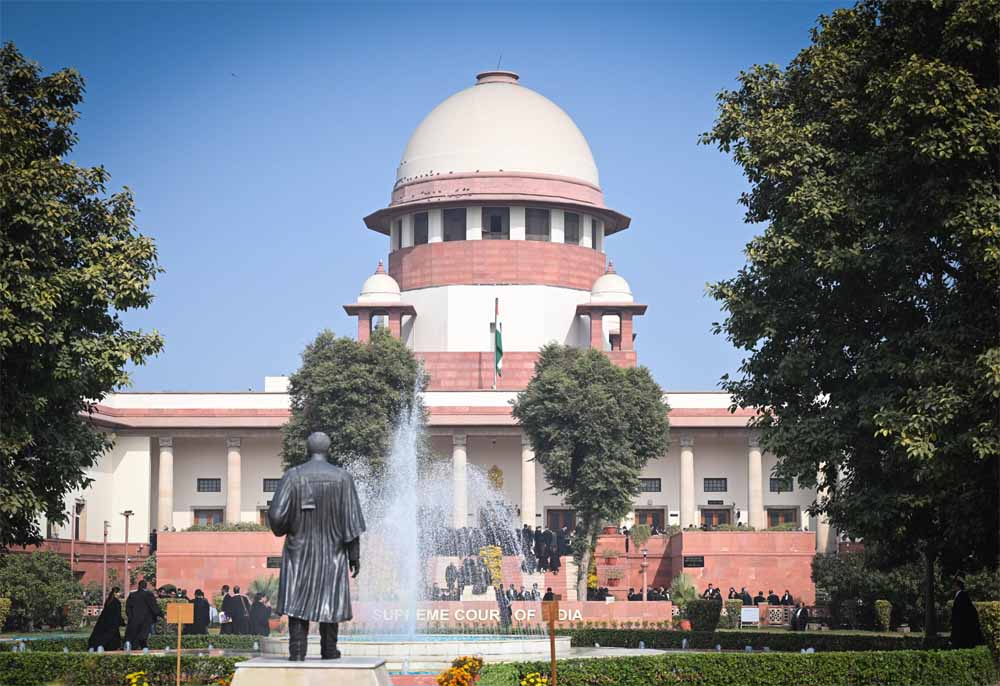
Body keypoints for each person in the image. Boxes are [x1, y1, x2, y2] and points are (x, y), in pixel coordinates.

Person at [268, 431, 366, 661]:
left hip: (299, 552)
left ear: (308, 449)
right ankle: (329, 650)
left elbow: (276, 516)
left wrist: (290, 526)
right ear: (328, 449)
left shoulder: (292, 476)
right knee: (330, 600)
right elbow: (352, 523)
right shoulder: (343, 478)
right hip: (333, 553)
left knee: (297, 602)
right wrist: (354, 556)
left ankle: (297, 651)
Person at [124, 580, 162, 650]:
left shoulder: (132, 595)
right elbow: (154, 607)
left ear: (138, 586)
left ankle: (129, 647)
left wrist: (130, 617)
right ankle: (144, 649)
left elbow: (128, 608)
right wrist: (161, 614)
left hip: (134, 620)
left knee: (132, 636)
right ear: (145, 586)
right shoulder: (149, 595)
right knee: (143, 637)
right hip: (145, 620)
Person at [950, 578, 984, 648]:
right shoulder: (960, 595)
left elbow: (964, 609)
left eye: (954, 585)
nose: (952, 586)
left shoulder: (962, 595)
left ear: (958, 586)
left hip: (962, 621)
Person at [87, 587, 123, 651]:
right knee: (112, 637)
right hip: (113, 623)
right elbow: (117, 614)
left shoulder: (108, 600)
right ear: (116, 593)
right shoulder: (117, 602)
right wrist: (121, 622)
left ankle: (95, 647)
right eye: (119, 593)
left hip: (104, 621)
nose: (120, 594)